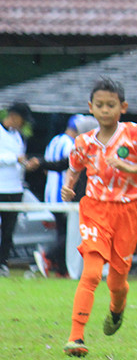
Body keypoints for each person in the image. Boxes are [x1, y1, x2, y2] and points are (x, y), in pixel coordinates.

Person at [61, 79, 137, 357]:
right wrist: (69, 186)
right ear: (90, 108)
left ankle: (117, 308)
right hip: (95, 209)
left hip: (128, 212)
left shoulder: (135, 134)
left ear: (123, 107)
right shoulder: (83, 142)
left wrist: (129, 166)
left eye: (111, 105)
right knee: (92, 272)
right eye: (99, 105)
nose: (105, 110)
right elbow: (74, 167)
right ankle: (76, 337)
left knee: (117, 281)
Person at [24, 114, 94, 277]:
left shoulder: (55, 140)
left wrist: (40, 162)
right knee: (72, 236)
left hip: (61, 196)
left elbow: (56, 165)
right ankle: (49, 257)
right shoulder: (76, 147)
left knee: (67, 234)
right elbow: (63, 163)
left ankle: (62, 269)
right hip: (74, 199)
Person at [0, 102, 34, 277]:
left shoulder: (18, 136)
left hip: (15, 188)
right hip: (1, 188)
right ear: (13, 116)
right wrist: (14, 158)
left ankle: (2, 263)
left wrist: (24, 165)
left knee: (8, 229)